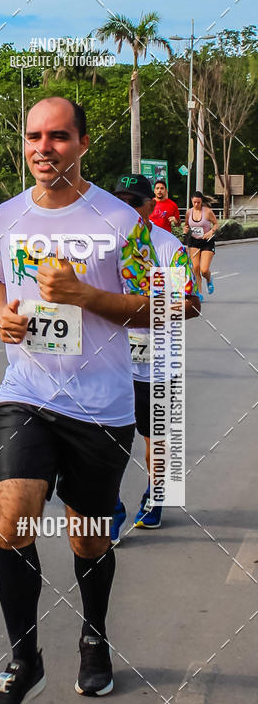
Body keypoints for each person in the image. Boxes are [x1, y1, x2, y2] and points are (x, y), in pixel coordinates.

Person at [0, 97, 161, 704]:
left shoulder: (119, 223)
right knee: (12, 519)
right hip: (26, 395)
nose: (43, 148)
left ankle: (94, 634)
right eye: (33, 136)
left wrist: (87, 294)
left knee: (87, 539)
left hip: (101, 408)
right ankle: (23, 659)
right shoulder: (7, 216)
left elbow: (172, 308)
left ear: (83, 144)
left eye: (58, 137)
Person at [111, 174, 200, 537]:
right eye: (120, 201)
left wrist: (141, 310)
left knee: (156, 439)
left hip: (158, 359)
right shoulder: (103, 243)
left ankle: (157, 494)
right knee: (106, 440)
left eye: (134, 202)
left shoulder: (166, 248)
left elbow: (192, 305)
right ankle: (110, 507)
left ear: (152, 207)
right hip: (111, 360)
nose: (126, 209)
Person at [184, 191, 219, 300]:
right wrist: (185, 230)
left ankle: (209, 279)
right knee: (196, 268)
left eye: (198, 202)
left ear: (201, 201)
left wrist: (211, 231)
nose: (196, 205)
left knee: (204, 270)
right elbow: (186, 225)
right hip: (194, 241)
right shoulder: (189, 212)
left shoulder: (207, 212)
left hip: (207, 242)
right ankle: (199, 293)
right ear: (191, 201)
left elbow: (216, 224)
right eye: (194, 202)